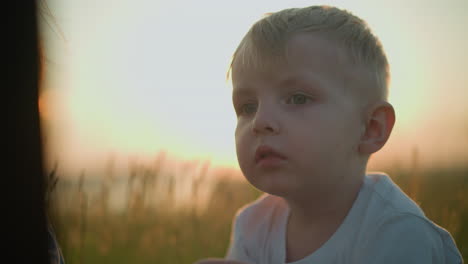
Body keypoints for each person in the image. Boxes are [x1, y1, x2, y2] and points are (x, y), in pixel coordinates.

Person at [196, 5, 463, 264]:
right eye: (247, 107)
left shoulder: (397, 232)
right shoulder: (253, 225)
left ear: (371, 128)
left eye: (298, 98)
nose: (260, 121)